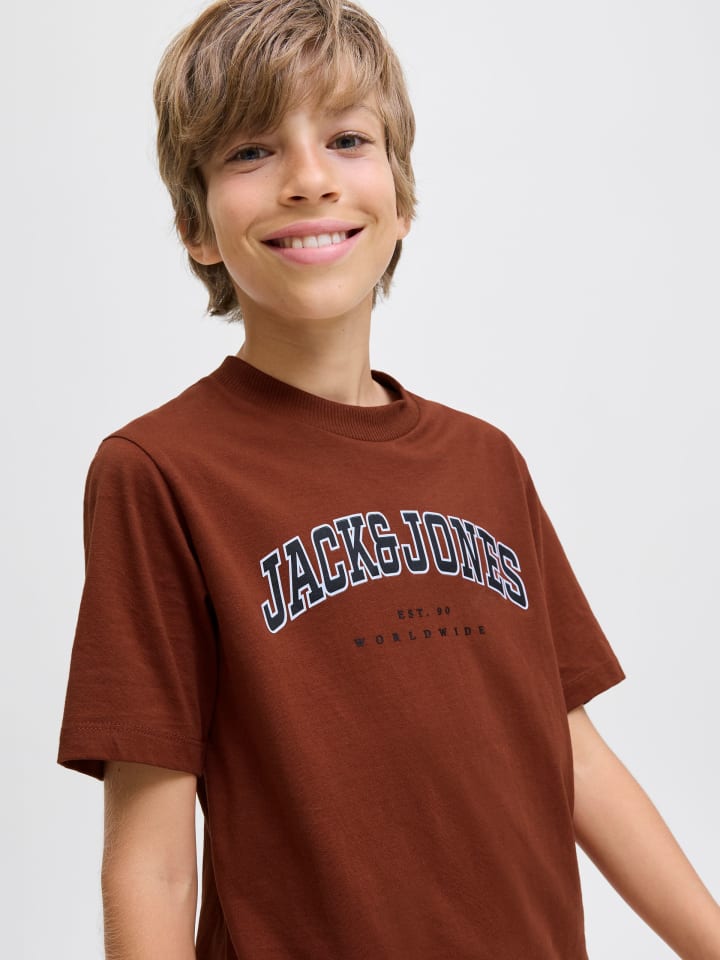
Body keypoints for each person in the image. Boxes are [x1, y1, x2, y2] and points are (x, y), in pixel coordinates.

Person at [57, 1, 720, 957]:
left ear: (401, 199)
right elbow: (153, 857)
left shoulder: (485, 461)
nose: (309, 178)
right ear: (196, 227)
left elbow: (571, 752)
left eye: (346, 139)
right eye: (252, 151)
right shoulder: (160, 472)